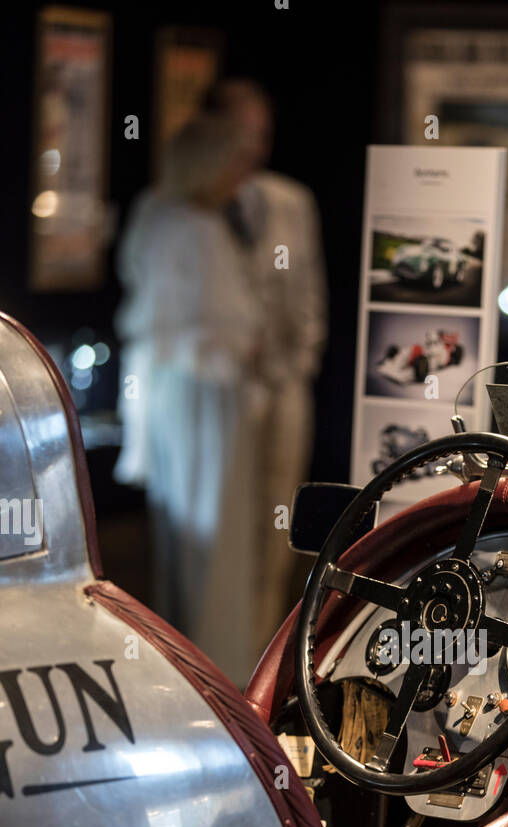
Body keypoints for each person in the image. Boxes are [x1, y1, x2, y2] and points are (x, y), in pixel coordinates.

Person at [114, 114, 264, 685]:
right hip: (204, 395)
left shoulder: (159, 216)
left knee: (185, 537)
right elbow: (215, 325)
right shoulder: (194, 227)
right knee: (213, 540)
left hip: (176, 393)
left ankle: (188, 665)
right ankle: (218, 672)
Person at [202, 79, 328, 653]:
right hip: (224, 394)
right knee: (225, 531)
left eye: (261, 134)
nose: (252, 146)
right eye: (240, 132)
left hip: (284, 388)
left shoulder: (290, 201)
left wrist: (297, 364)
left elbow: (309, 295)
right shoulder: (195, 203)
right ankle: (214, 656)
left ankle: (257, 662)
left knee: (279, 522)